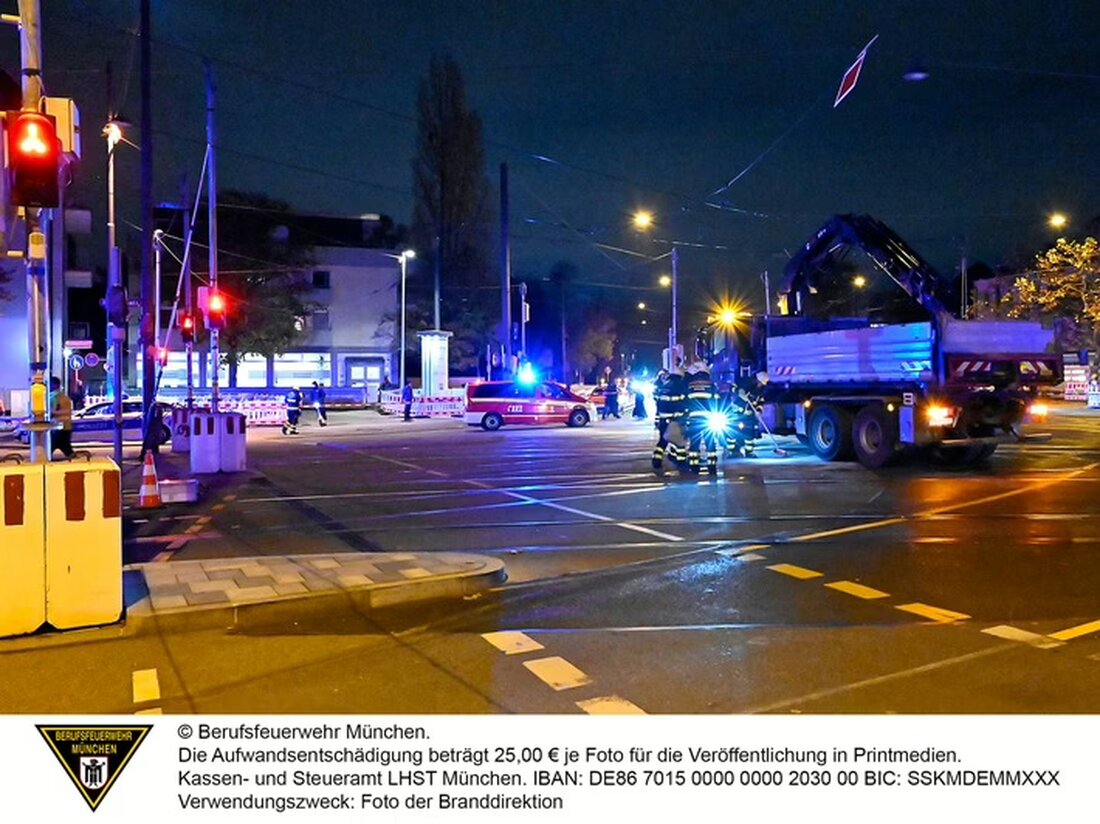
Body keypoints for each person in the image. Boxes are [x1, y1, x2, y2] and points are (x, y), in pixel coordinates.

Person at [684, 360, 721, 475]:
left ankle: (694, 467)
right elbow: (717, 401)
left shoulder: (690, 385)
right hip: (709, 419)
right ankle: (712, 467)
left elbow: (686, 402)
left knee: (694, 443)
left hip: (693, 419)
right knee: (710, 443)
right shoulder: (711, 385)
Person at [651, 367, 688, 475]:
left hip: (663, 419)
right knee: (680, 442)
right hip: (674, 419)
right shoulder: (680, 386)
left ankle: (656, 460)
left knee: (662, 441)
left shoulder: (665, 386)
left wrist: (658, 420)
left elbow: (658, 403)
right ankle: (681, 463)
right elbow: (683, 403)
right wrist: (684, 415)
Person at [49, 376, 75, 459]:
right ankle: (77, 460)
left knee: (50, 447)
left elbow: (52, 411)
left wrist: (50, 413)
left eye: (50, 384)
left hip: (57, 427)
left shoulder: (53, 397)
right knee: (65, 447)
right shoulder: (65, 397)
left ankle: (43, 460)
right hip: (67, 426)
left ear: (54, 385)